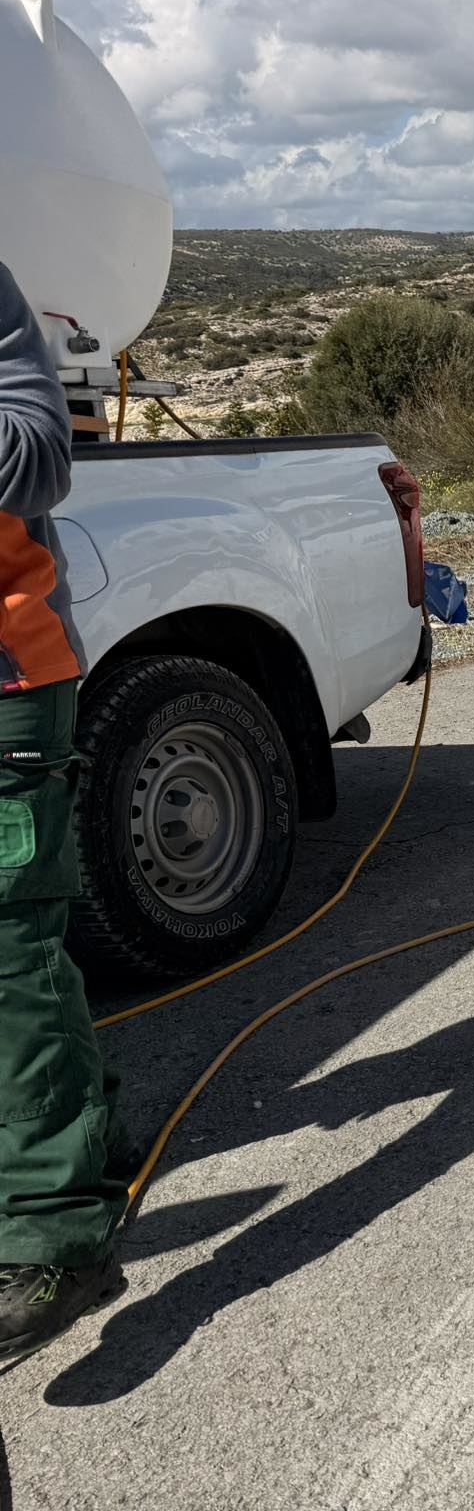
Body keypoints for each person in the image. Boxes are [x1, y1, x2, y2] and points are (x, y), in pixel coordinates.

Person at [0, 260, 128, 1364]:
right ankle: (85, 1135)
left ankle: (55, 1233)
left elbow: (42, 455)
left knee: (7, 951)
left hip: (7, 680)